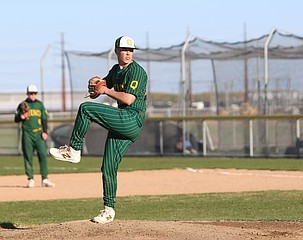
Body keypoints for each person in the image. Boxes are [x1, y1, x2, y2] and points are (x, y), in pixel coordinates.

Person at [49, 36, 147, 224]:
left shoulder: (137, 72)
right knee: (108, 167)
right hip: (122, 121)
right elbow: (102, 85)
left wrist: (105, 91)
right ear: (116, 51)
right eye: (124, 49)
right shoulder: (116, 70)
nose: (128, 53)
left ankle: (74, 150)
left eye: (131, 50)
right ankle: (109, 210)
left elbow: (128, 100)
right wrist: (97, 85)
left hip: (131, 118)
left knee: (85, 109)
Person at [14, 84, 55, 188]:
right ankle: (30, 179)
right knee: (28, 156)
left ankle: (45, 178)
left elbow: (44, 119)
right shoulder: (23, 104)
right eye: (30, 93)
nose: (32, 95)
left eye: (34, 93)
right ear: (27, 93)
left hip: (38, 133)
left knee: (43, 155)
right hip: (27, 134)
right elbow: (16, 119)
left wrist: (45, 131)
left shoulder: (40, 105)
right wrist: (21, 117)